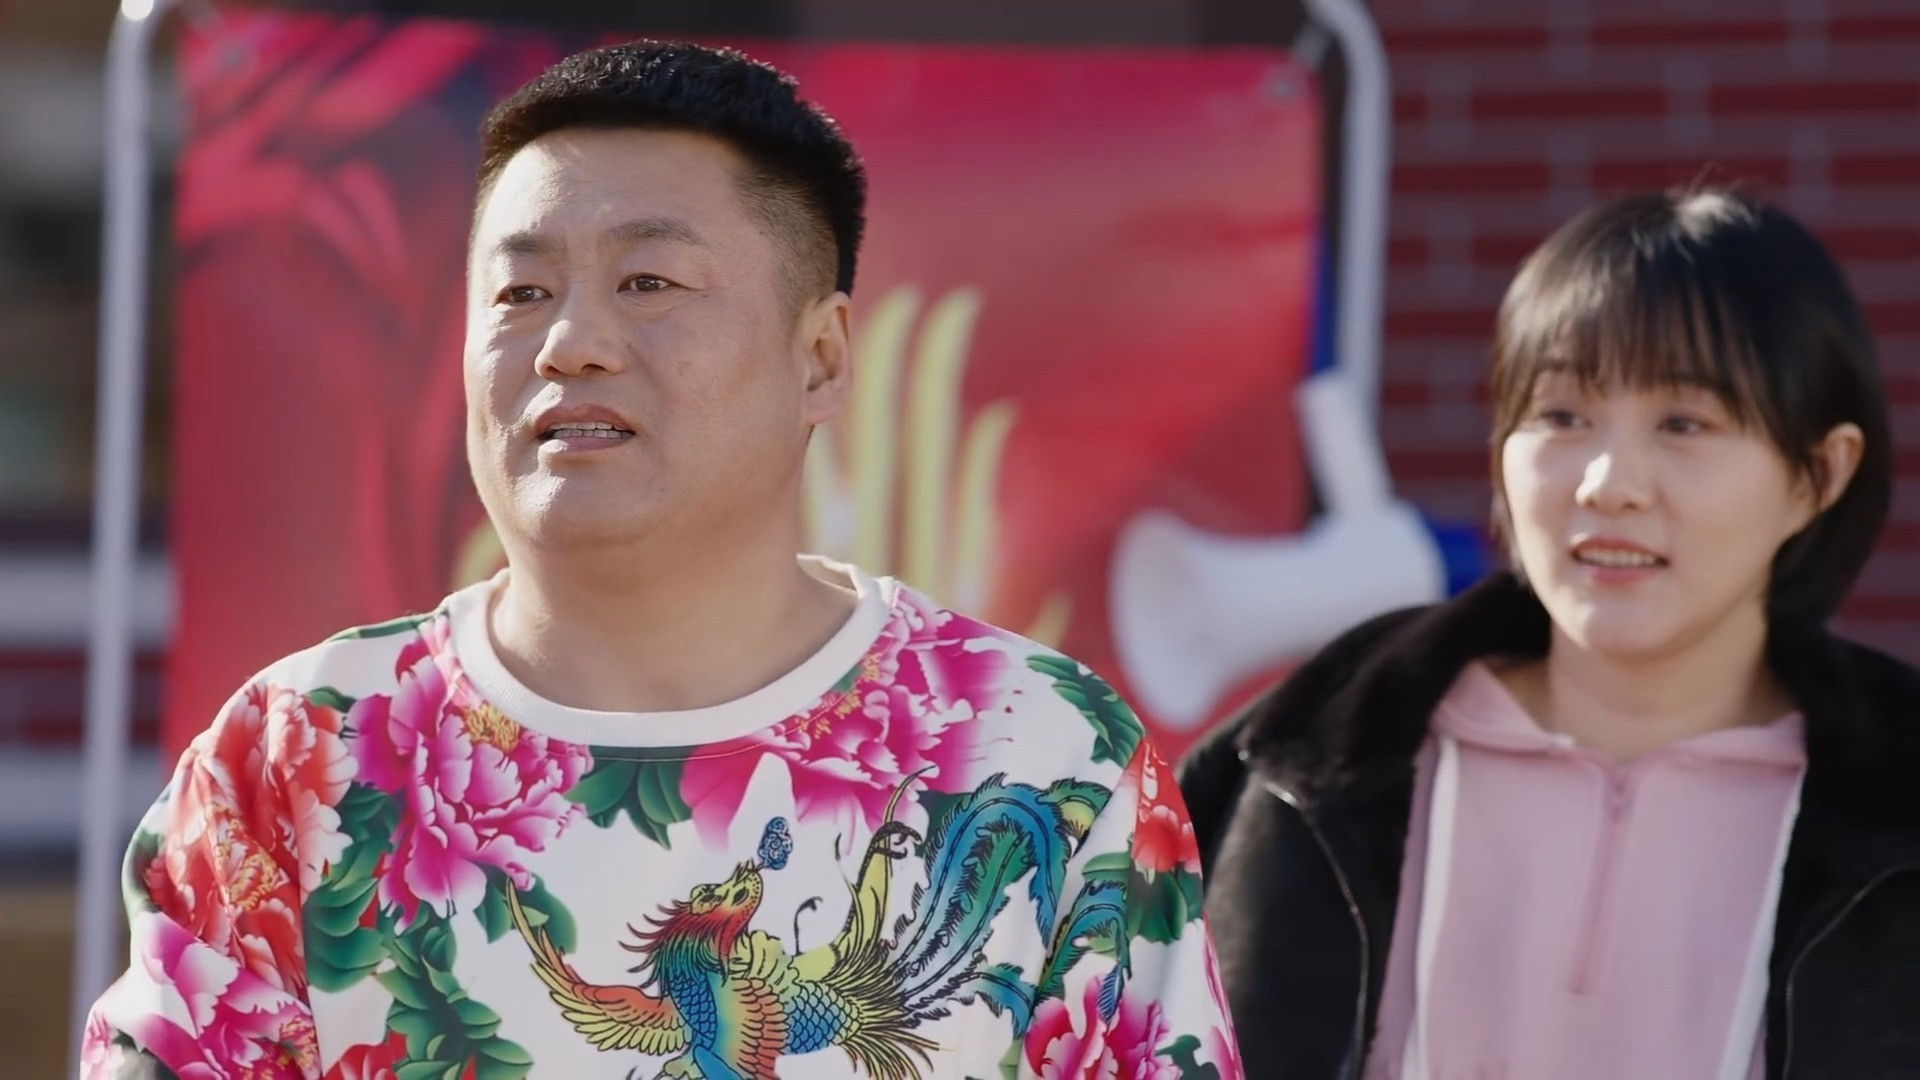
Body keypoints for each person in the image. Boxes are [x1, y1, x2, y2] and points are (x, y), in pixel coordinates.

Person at [84, 42, 1239, 1080]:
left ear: (821, 357)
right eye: (521, 293)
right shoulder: (295, 757)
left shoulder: (1046, 753)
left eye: (649, 283)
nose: (570, 343)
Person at [1181, 188, 1918, 1079]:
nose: (1608, 484)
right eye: (1562, 416)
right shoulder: (1299, 766)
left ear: (1819, 476)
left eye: (1685, 423)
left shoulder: (1894, 810)